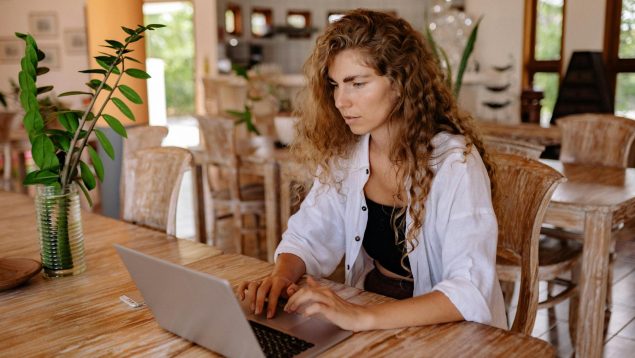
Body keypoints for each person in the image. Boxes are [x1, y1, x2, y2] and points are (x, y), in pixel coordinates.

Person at [238, 9, 507, 331]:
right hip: (376, 303)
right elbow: (308, 235)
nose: (340, 101)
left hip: (444, 324)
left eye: (357, 84)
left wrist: (361, 317)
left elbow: (469, 289)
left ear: (400, 83)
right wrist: (280, 278)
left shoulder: (455, 163)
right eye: (335, 85)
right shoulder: (348, 154)